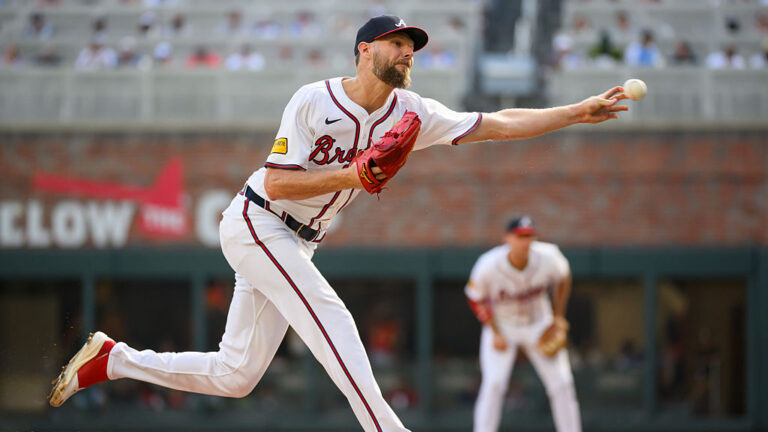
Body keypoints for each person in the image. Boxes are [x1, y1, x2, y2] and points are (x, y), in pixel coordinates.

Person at [48, 15, 627, 432]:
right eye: (397, 43)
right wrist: (352, 176)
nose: (407, 53)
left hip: (298, 244)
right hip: (257, 222)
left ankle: (113, 359)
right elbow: (276, 182)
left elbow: (498, 123)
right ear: (363, 50)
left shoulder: (413, 112)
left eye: (412, 47)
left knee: (236, 375)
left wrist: (576, 112)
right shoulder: (312, 100)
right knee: (335, 322)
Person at [466, 216, 581, 432]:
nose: (525, 241)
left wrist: (558, 317)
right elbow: (474, 297)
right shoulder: (488, 264)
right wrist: (495, 332)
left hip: (539, 323)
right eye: (520, 236)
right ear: (507, 238)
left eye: (529, 236)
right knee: (494, 384)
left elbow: (564, 277)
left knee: (562, 383)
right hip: (502, 325)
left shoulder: (549, 256)